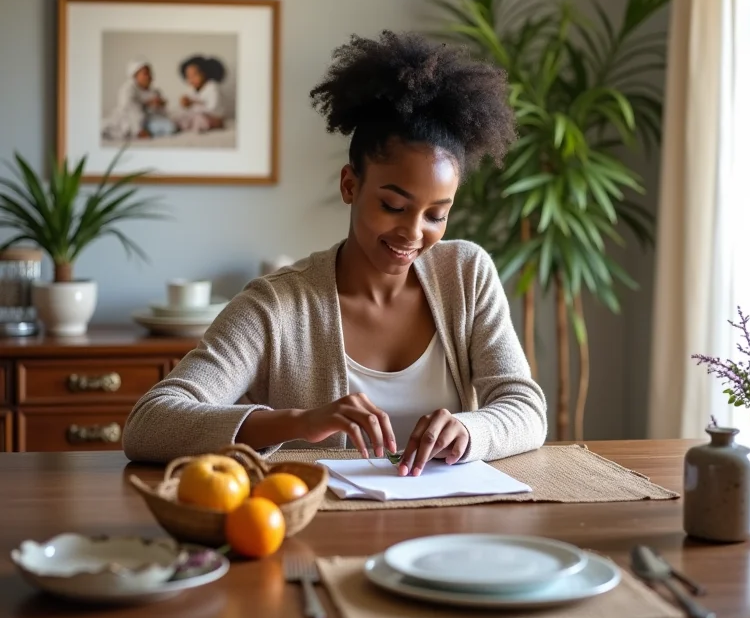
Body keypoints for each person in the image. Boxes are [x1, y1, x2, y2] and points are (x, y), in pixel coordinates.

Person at [123, 31, 547, 475]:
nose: (413, 232)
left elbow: (525, 409)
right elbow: (149, 423)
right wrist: (298, 422)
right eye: (394, 206)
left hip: (445, 534)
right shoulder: (276, 306)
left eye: (436, 215)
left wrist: (470, 430)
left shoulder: (466, 274)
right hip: (323, 531)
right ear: (350, 185)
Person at [102, 59, 175, 140]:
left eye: (150, 73)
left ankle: (147, 131)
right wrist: (138, 130)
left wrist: (161, 104)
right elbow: (129, 109)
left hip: (148, 120)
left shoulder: (155, 91)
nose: (149, 76)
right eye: (145, 74)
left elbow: (162, 113)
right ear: (135, 76)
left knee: (170, 127)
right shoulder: (128, 89)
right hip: (130, 120)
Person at [173, 55, 227, 132]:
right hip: (197, 115)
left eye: (195, 75)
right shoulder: (192, 89)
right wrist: (185, 104)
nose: (192, 79)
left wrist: (193, 103)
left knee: (200, 119)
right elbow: (187, 109)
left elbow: (213, 108)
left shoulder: (212, 87)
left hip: (213, 117)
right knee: (179, 118)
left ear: (204, 73)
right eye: (189, 76)